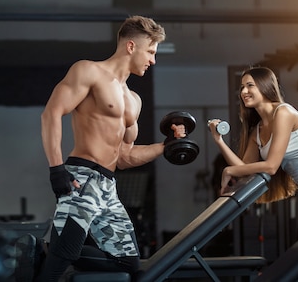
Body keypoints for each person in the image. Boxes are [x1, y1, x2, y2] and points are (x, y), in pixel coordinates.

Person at [14, 15, 186, 282]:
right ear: (131, 46)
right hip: (80, 177)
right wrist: (56, 168)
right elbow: (51, 114)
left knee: (128, 263)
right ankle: (51, 255)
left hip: (108, 185)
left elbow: (125, 157)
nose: (153, 60)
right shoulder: (88, 71)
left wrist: (166, 146)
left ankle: (43, 252)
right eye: (150, 51)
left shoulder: (134, 100)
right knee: (62, 260)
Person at [207, 66, 298, 281]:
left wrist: (230, 170)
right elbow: (245, 172)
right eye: (242, 87)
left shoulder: (284, 112)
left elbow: (271, 166)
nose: (244, 91)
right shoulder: (257, 129)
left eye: (250, 86)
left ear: (265, 87)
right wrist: (219, 141)